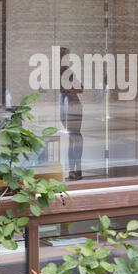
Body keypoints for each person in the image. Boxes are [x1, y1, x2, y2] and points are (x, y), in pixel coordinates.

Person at [60, 47, 83, 181]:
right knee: (73, 137)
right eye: (66, 57)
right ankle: (73, 169)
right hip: (67, 107)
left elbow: (80, 88)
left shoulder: (68, 72)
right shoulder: (61, 72)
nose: (67, 60)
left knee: (75, 137)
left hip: (73, 107)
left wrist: (67, 88)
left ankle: (76, 169)